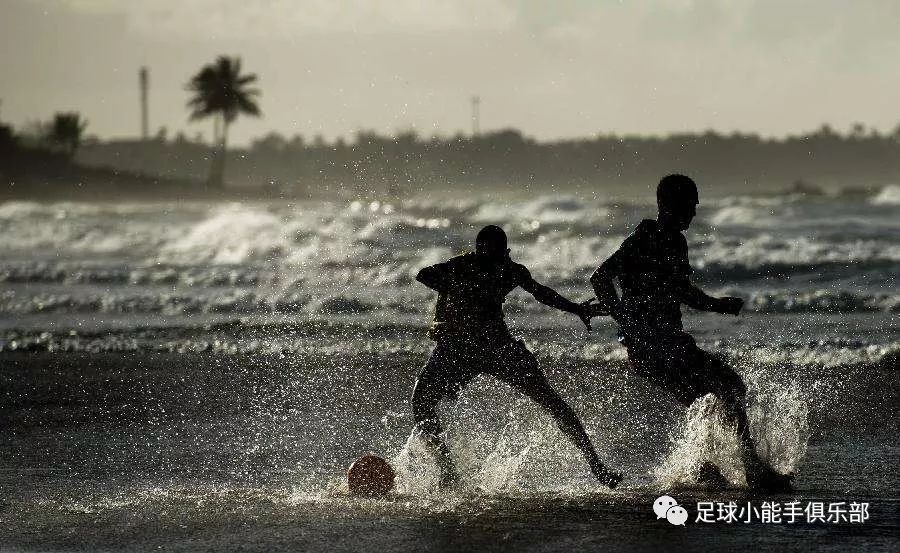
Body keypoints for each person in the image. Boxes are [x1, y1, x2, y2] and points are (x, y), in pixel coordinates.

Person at [589, 174, 793, 491]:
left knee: (707, 399)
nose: (695, 212)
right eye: (690, 204)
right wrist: (625, 319)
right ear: (670, 205)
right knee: (729, 386)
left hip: (665, 343)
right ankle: (750, 470)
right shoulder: (646, 237)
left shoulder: (675, 241)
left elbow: (680, 290)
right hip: (652, 346)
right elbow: (600, 278)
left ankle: (700, 467)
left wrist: (716, 305)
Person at [410, 225, 622, 489]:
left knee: (551, 401)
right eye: (490, 254)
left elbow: (541, 292)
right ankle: (448, 470)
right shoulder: (462, 266)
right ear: (479, 251)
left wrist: (576, 308)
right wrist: (463, 284)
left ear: (506, 252)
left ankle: (597, 466)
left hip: (498, 348)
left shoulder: (509, 270)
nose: (497, 259)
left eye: (501, 254)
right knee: (421, 401)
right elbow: (423, 275)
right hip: (458, 348)